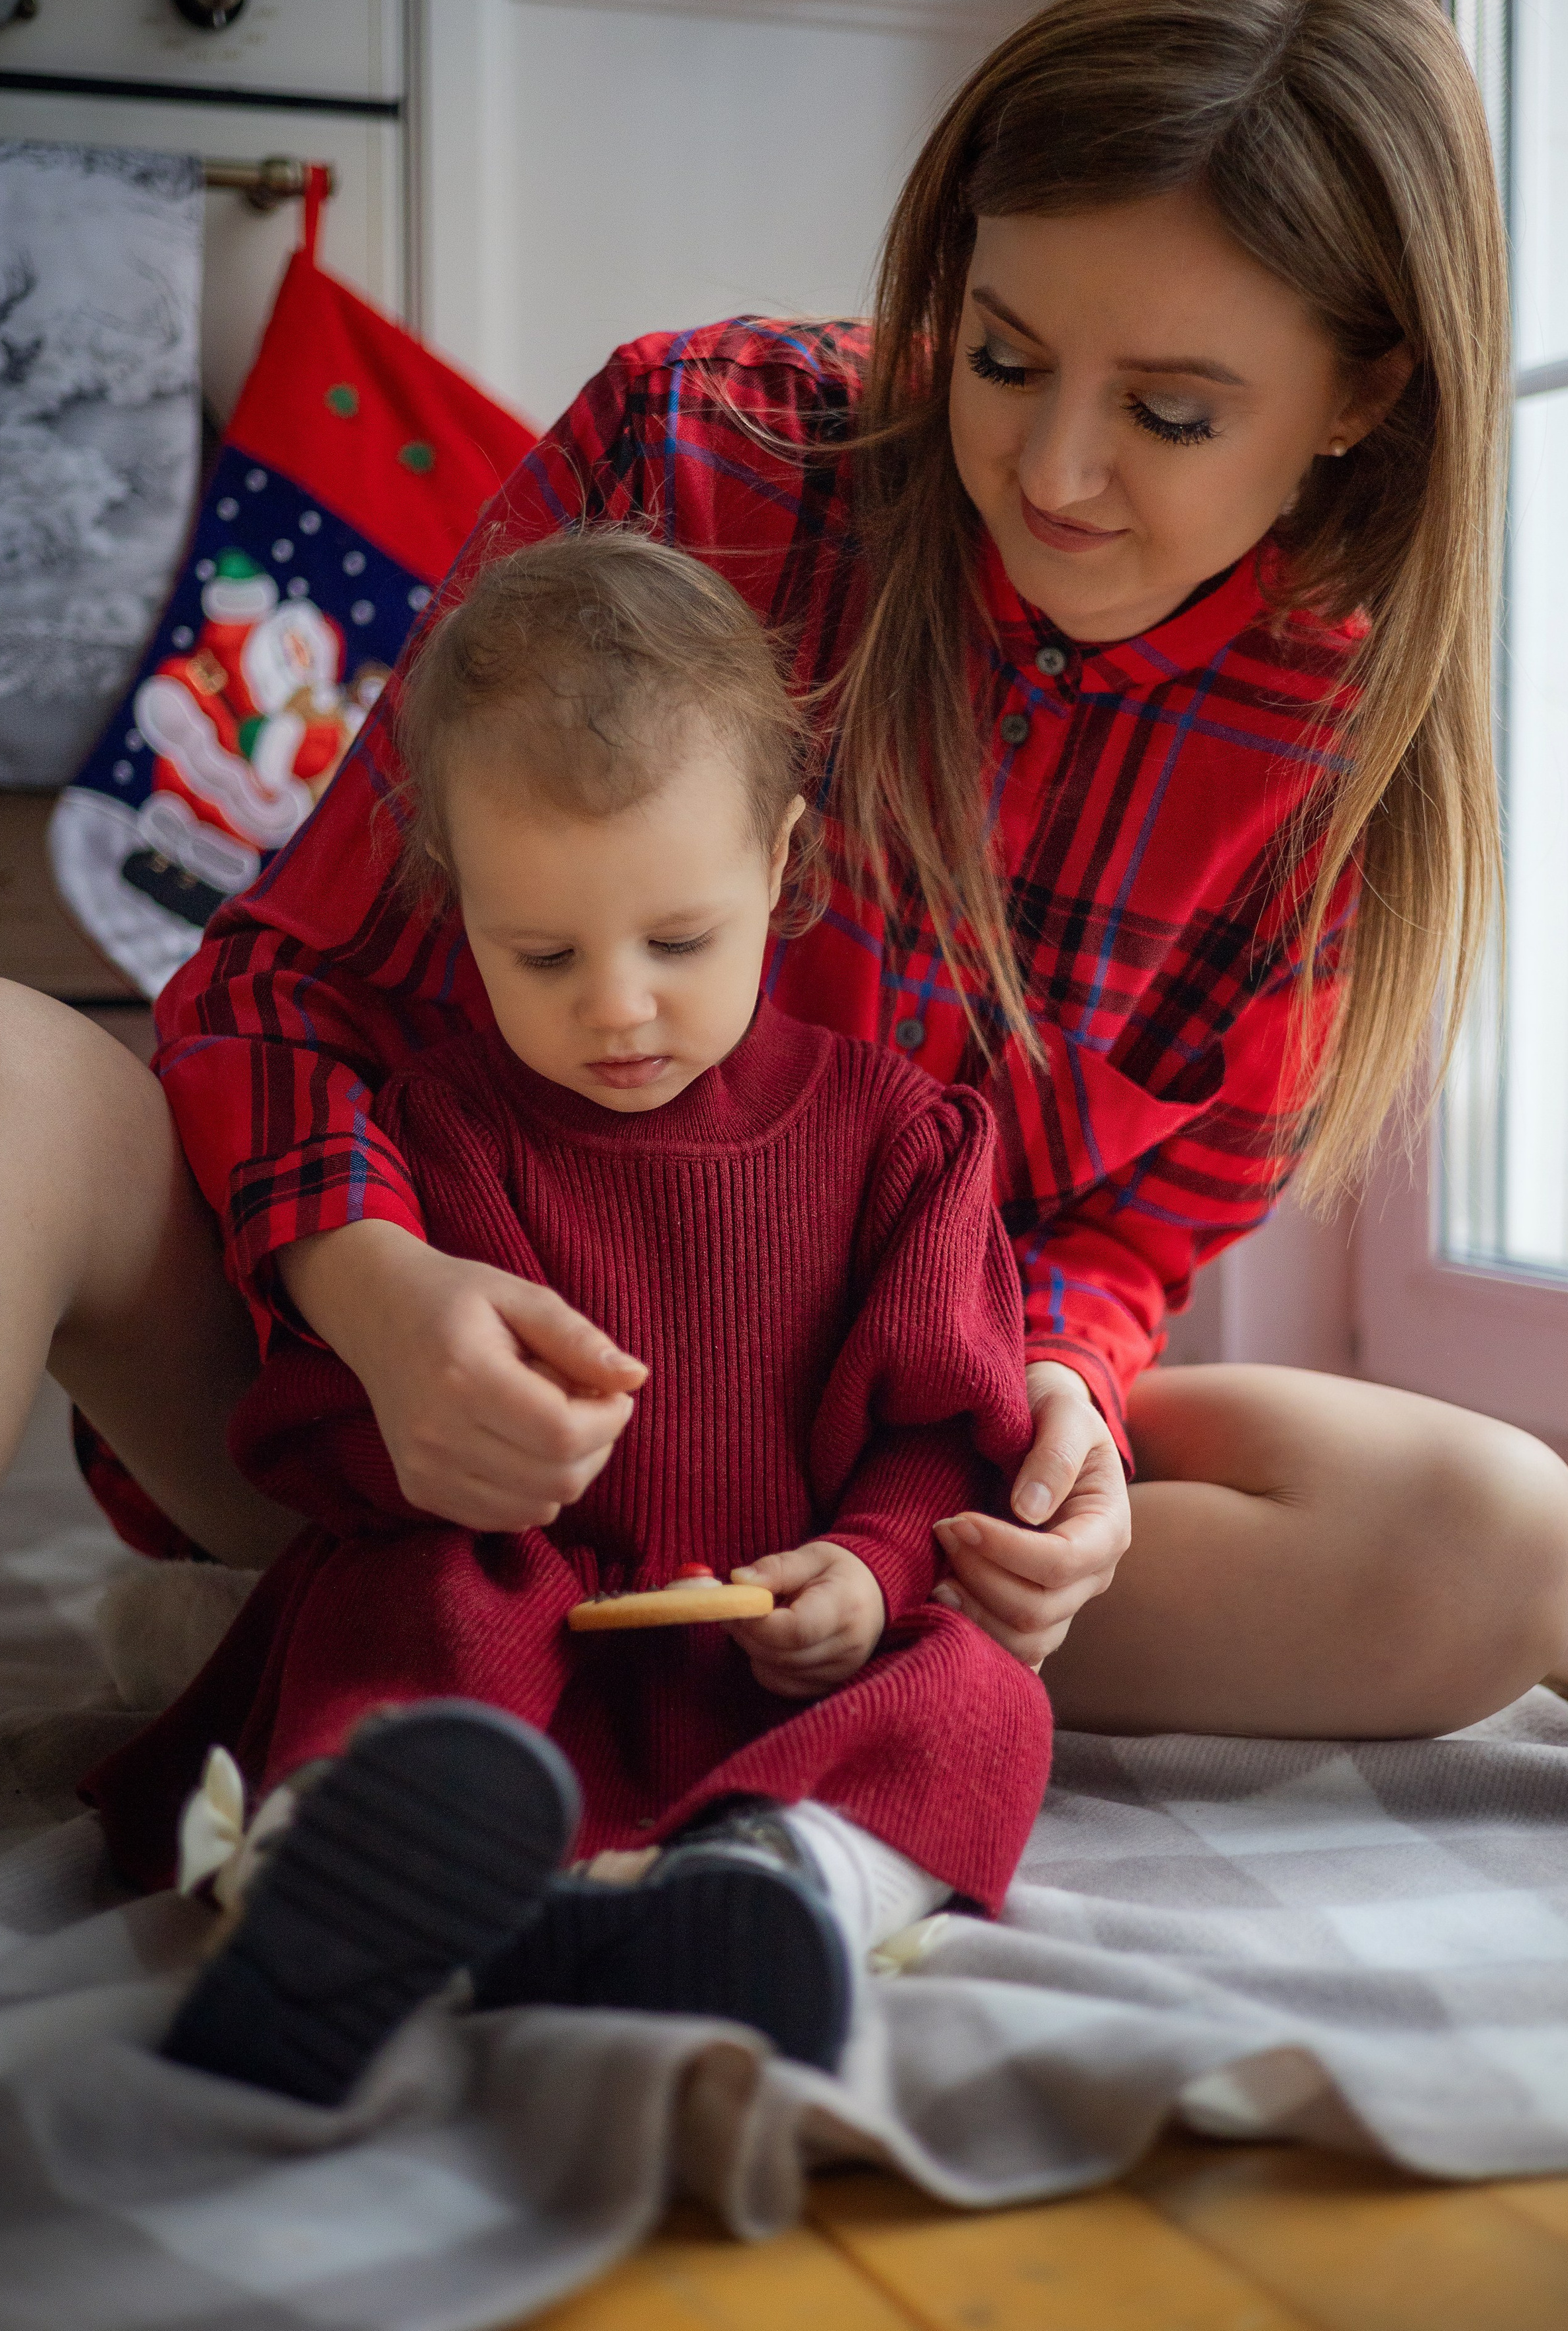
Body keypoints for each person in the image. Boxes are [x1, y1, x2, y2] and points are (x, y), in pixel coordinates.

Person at [0, 0, 1568, 1745]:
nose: (1053, 473)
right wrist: (377, 1292)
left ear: (1364, 396)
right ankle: (407, 1621)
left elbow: (1119, 1246)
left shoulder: (1339, 765)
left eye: (1167, 412)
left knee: (1490, 1546)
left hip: (856, 1516)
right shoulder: (694, 445)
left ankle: (503, 1673)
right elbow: (287, 985)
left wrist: (1060, 1402)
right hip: (415, 1444)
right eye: (1001, 357)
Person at [87, 528, 1053, 2105]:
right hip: (518, 1654)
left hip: (781, 1664)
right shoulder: (440, 1132)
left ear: (780, 866)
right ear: (452, 899)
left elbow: (943, 1433)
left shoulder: (900, 1137)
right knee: (400, 1599)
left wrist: (869, 1572)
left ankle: (780, 1885)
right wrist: (432, 1447)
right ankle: (344, 1874)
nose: (615, 1006)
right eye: (539, 953)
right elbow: (319, 1434)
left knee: (981, 1695)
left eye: (678, 942)